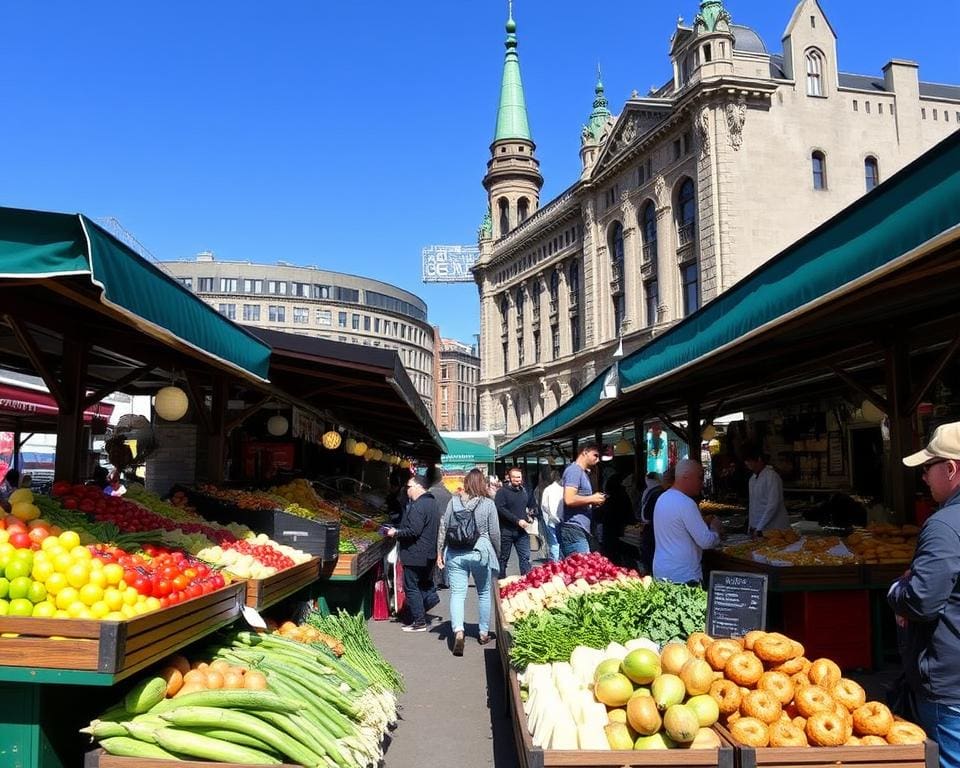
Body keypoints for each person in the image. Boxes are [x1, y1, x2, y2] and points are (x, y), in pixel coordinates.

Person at [889, 421, 960, 767]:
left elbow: (921, 600)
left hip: (950, 681)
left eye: (928, 468)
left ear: (950, 469)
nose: (923, 477)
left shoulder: (945, 525)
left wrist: (899, 590)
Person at [437, 468, 501, 656]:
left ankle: (458, 630)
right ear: (483, 484)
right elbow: (495, 532)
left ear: (465, 483)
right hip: (480, 552)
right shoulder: (488, 504)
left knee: (457, 593)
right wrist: (496, 553)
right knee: (483, 593)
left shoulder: (453, 501)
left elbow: (444, 527)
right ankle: (482, 633)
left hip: (456, 554)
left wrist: (439, 551)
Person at [384, 474, 442, 632]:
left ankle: (419, 621)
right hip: (428, 552)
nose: (406, 490)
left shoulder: (418, 506)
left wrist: (395, 532)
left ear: (418, 487)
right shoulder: (432, 503)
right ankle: (425, 607)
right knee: (423, 584)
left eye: (408, 487)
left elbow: (413, 530)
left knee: (411, 587)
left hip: (415, 553)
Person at [652, 459, 723, 585]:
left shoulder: (663, 498)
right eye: (699, 478)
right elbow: (706, 541)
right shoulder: (686, 503)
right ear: (686, 477)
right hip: (684, 576)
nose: (702, 483)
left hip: (662, 571)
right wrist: (715, 529)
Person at [557, 443, 607, 557]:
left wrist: (593, 501)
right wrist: (592, 498)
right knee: (580, 569)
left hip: (579, 528)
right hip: (574, 528)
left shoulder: (582, 472)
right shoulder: (574, 470)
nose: (597, 460)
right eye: (595, 455)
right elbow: (569, 499)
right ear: (585, 452)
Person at [495, 466, 533, 579]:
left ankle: (526, 582)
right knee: (503, 558)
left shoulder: (525, 491)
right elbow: (500, 509)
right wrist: (517, 520)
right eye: (515, 477)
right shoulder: (502, 492)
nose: (517, 480)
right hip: (506, 531)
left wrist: (532, 514)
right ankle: (500, 583)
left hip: (521, 532)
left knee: (525, 557)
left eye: (519, 477)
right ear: (509, 478)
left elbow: (532, 504)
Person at [743, 444, 790, 535]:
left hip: (774, 528)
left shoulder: (772, 477)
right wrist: (752, 527)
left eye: (749, 460)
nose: (747, 463)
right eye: (746, 461)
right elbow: (753, 506)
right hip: (758, 528)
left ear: (759, 459)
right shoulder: (752, 479)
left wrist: (759, 528)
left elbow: (773, 505)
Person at [639, 466, 674, 575]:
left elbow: (645, 515)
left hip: (652, 536)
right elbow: (648, 516)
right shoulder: (660, 494)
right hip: (654, 536)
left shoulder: (652, 492)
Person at [425, 466, 452, 588]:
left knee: (435, 551)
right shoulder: (447, 493)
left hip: (433, 525)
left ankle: (435, 580)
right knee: (444, 551)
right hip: (447, 525)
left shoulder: (429, 494)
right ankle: (445, 579)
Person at [600, 472, 633, 565]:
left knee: (611, 561)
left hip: (610, 534)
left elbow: (599, 515)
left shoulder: (610, 499)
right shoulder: (624, 496)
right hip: (623, 533)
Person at [538, 469, 563, 562]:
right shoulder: (563, 489)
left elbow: (543, 505)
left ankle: (555, 562)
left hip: (550, 520)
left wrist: (548, 514)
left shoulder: (547, 490)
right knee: (562, 542)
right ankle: (562, 561)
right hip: (562, 519)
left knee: (554, 543)